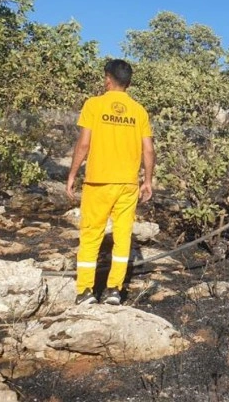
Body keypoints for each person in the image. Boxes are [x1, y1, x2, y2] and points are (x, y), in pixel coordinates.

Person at [67, 59, 155, 305]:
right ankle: (114, 290)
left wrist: (73, 174)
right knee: (123, 236)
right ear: (128, 82)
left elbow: (84, 144)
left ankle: (85, 291)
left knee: (91, 235)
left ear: (107, 79)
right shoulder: (139, 111)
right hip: (127, 184)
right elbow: (148, 150)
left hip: (98, 182)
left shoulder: (94, 104)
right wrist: (147, 180)